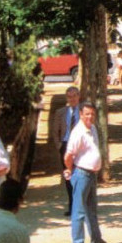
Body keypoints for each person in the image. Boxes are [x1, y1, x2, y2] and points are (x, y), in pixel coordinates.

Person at [63, 101, 110, 243]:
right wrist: (70, 169)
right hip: (81, 173)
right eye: (87, 114)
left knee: (92, 209)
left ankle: (97, 239)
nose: (90, 117)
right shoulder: (78, 132)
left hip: (91, 174)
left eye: (92, 114)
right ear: (81, 115)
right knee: (79, 210)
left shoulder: (93, 128)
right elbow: (68, 155)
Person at [51, 86, 80, 216]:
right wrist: (59, 145)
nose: (72, 99)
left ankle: (82, 205)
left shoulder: (84, 111)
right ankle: (72, 205)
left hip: (80, 146)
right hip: (66, 144)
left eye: (74, 96)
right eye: (69, 96)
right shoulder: (60, 112)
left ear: (78, 97)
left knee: (81, 175)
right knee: (68, 176)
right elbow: (55, 131)